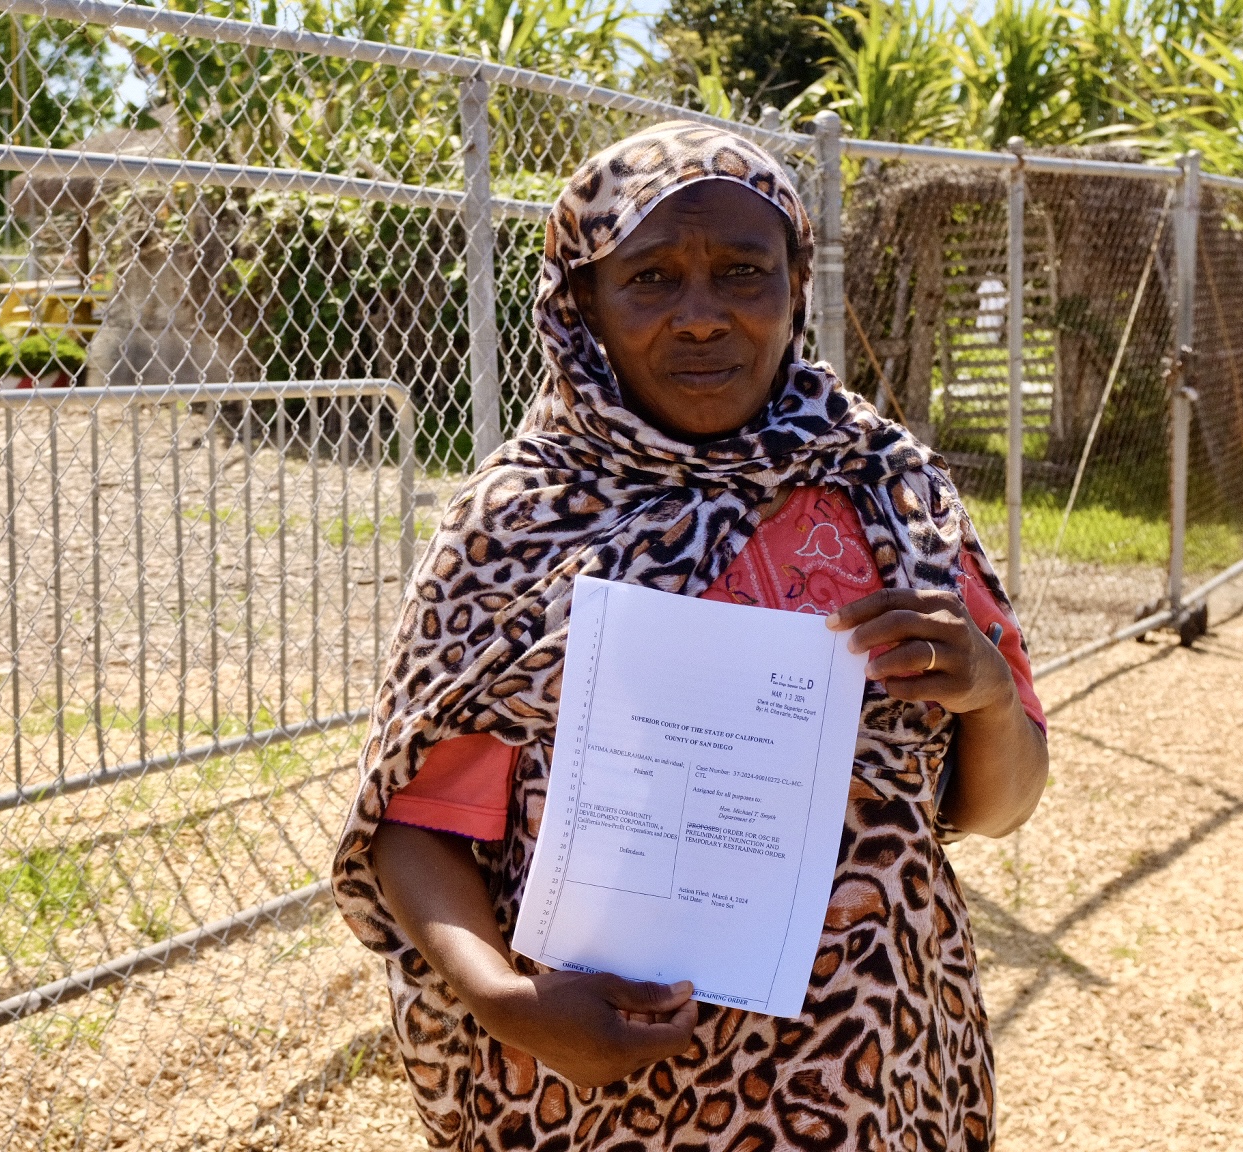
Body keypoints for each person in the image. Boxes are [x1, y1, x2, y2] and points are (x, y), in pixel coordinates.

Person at [334, 122, 1049, 1150]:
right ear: (580, 304)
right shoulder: (516, 521)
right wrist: (503, 998)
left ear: (794, 286)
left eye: (741, 273)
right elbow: (417, 816)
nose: (702, 316)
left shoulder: (886, 492)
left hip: (867, 1071)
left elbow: (995, 807)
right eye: (651, 278)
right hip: (594, 1080)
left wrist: (982, 693)